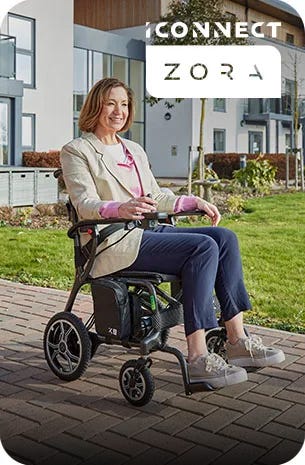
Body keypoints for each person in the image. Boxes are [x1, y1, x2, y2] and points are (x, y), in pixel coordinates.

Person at [60, 77, 285, 389]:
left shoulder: (133, 150)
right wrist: (119, 208)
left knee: (225, 238)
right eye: (111, 103)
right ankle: (198, 358)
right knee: (203, 247)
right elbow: (84, 204)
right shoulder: (78, 150)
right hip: (111, 242)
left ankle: (237, 340)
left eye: (124, 104)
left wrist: (194, 201)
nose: (119, 111)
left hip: (148, 234)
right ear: (96, 106)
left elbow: (157, 197)